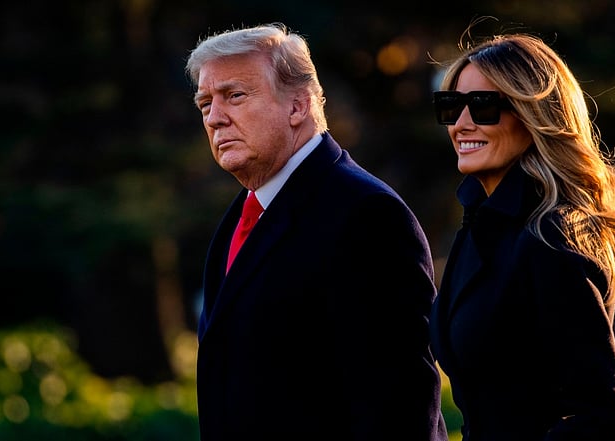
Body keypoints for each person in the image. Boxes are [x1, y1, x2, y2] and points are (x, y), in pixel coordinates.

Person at [185, 22, 447, 440]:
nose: (215, 119)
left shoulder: (366, 215)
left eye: (235, 96)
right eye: (205, 104)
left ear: (297, 107)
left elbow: (399, 409)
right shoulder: (243, 215)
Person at [429, 28, 615, 441]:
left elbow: (604, 414)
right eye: (451, 106)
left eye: (482, 106)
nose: (460, 124)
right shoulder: (478, 225)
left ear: (532, 115)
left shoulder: (549, 239)